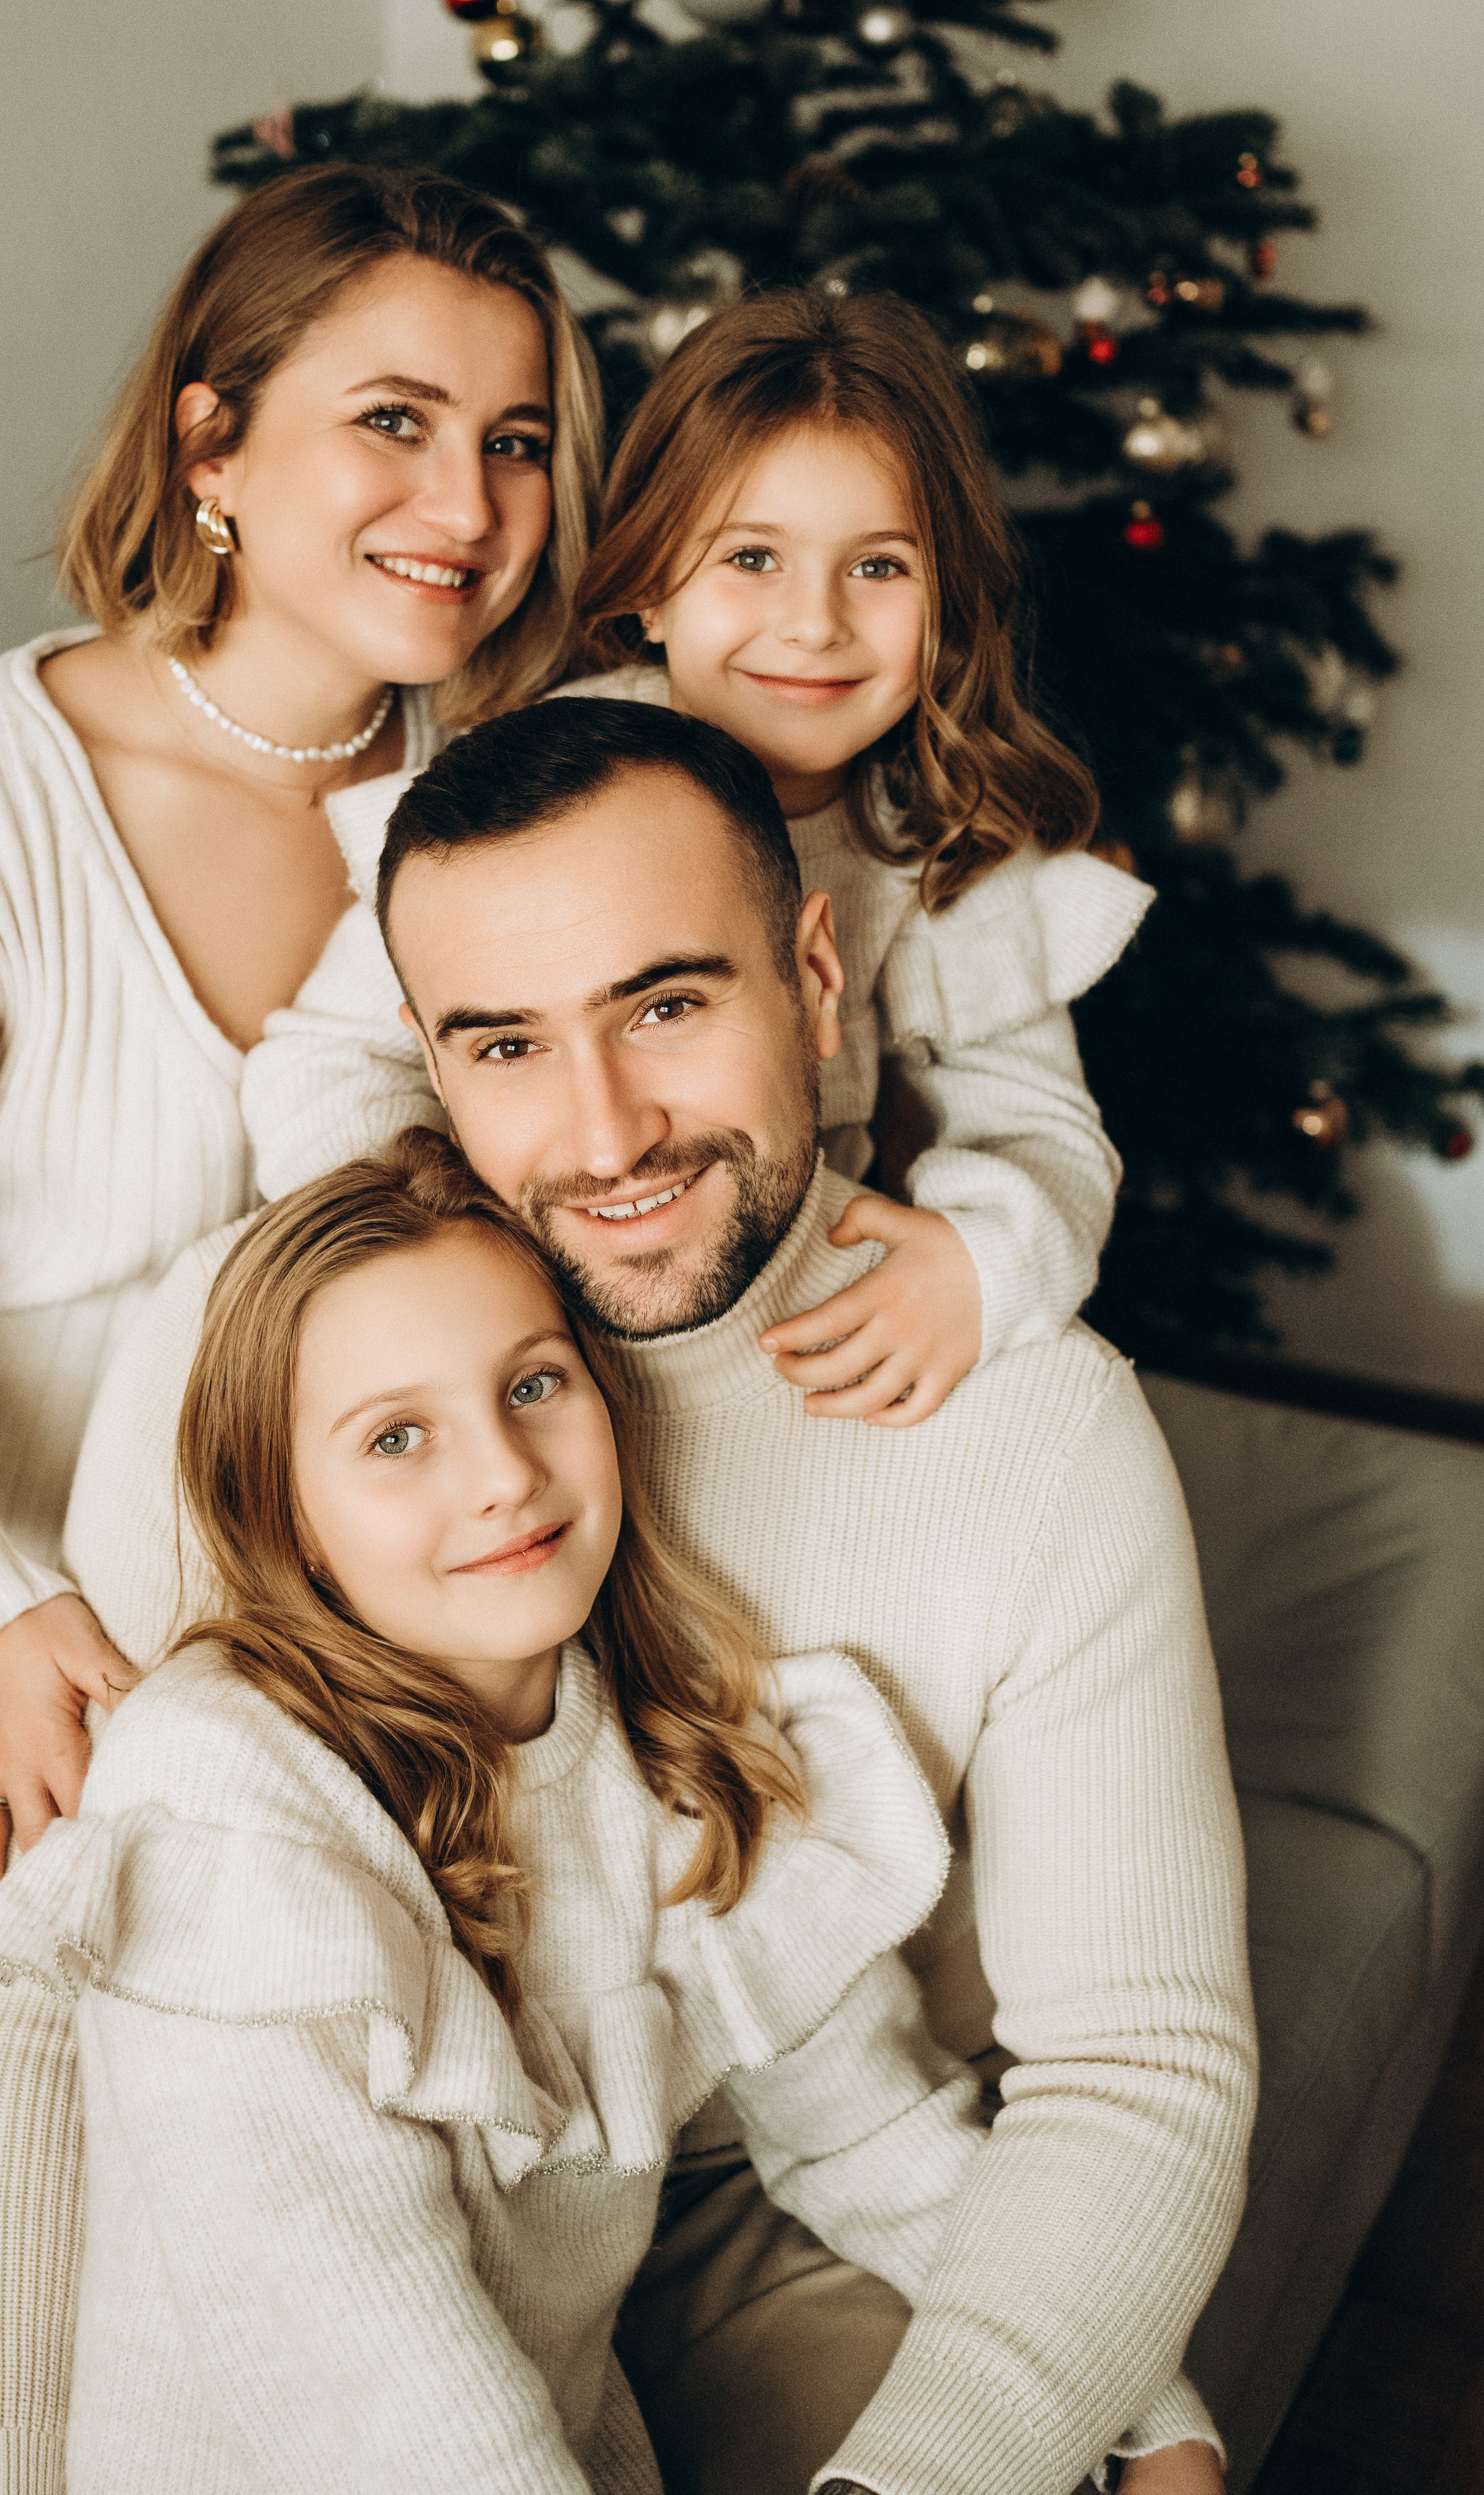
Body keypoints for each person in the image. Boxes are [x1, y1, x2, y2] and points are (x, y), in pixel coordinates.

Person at [67, 700, 1254, 2495]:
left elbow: (1135, 2063)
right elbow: (85, 1976)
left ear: (811, 971)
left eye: (665, 1005)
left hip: (796, 2165)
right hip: (282, 2235)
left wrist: (1062, 2414)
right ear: (424, 1054)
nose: (605, 1132)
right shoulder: (260, 1349)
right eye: (507, 1044)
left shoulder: (1038, 1430)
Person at [0, 161, 603, 1979]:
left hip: (416, 1578)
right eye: (391, 421)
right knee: (172, 2072)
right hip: (42, 1613)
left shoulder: (510, 788)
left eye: (517, 440)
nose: (467, 503)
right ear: (211, 447)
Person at [0, 1128, 992, 2493]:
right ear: (287, 1516)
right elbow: (384, 2384)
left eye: (534, 1384)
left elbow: (871, 2128)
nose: (502, 1475)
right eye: (396, 1437)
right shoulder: (227, 1796)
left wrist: (1127, 2403)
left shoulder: (674, 1757)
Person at [242, 286, 1149, 1426]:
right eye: (753, 559)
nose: (815, 624)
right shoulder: (531, 790)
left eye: (878, 568)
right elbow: (320, 1071)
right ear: (655, 585)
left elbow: (1039, 1128)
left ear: (951, 607)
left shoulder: (943, 845)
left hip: (773, 1325)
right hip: (547, 1300)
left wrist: (979, 1264)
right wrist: (465, 1262)